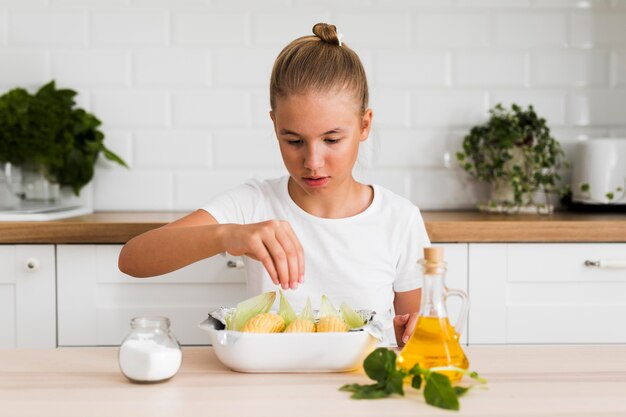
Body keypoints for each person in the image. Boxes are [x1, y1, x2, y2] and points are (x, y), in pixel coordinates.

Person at [118, 23, 430, 346]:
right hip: (267, 392)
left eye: (332, 139)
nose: (312, 161)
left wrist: (416, 331)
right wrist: (229, 235)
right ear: (274, 124)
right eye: (293, 140)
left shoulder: (399, 219)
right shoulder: (254, 205)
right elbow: (132, 259)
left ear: (364, 125)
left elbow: (414, 336)